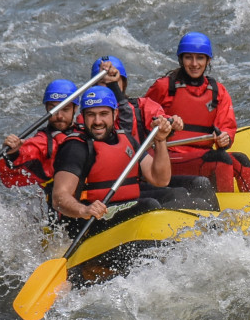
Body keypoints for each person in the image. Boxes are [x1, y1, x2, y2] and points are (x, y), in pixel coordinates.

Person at [92, 54, 219, 210]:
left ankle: (218, 229)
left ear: (123, 83)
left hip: (143, 176)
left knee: (201, 184)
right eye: (103, 84)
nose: (111, 88)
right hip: (116, 187)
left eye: (113, 83)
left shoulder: (141, 106)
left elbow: (158, 118)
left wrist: (168, 124)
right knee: (175, 195)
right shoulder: (93, 123)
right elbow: (124, 124)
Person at [143, 31, 250, 193]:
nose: (194, 64)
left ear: (208, 60)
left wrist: (224, 138)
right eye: (188, 58)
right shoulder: (164, 87)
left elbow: (227, 127)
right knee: (220, 160)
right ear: (181, 59)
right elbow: (144, 117)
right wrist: (166, 122)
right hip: (170, 155)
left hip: (202, 155)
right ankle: (223, 212)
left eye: (200, 58)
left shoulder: (217, 91)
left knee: (241, 160)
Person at [51, 86, 173, 238]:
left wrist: (160, 140)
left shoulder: (126, 139)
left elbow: (160, 179)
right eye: (91, 115)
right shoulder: (75, 148)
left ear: (115, 114)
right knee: (149, 206)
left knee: (174, 195)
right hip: (86, 223)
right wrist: (83, 210)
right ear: (83, 116)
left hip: (120, 212)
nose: (97, 121)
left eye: (103, 114)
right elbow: (59, 197)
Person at [0, 79, 80, 220]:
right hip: (62, 220)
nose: (59, 116)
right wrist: (12, 152)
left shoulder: (87, 129)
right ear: (46, 108)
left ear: (75, 108)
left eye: (65, 109)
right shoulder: (41, 144)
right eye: (54, 109)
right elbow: (22, 155)